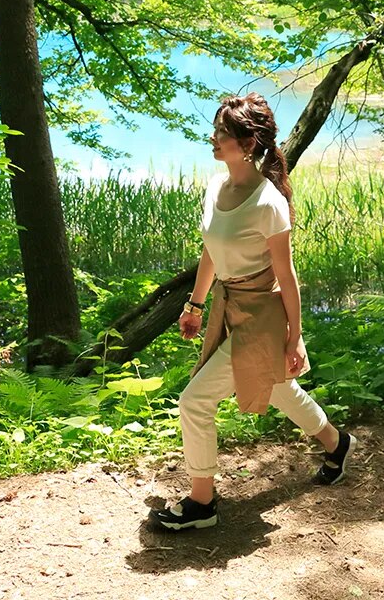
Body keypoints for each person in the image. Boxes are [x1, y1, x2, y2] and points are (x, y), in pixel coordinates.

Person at [148, 92, 355, 531]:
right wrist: (194, 305)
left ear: (247, 143)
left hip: (261, 315)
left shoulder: (268, 202)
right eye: (216, 130)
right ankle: (336, 443)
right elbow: (211, 251)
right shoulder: (215, 187)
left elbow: (287, 275)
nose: (213, 138)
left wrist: (294, 337)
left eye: (222, 133)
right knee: (278, 387)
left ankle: (202, 503)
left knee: (195, 401)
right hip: (229, 306)